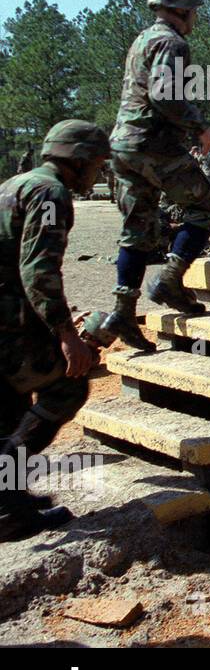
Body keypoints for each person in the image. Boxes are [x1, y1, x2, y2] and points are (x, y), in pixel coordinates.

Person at [103, 0, 210, 351]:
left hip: (123, 146)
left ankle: (123, 310)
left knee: (137, 229)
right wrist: (200, 127)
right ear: (184, 9)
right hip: (152, 143)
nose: (196, 18)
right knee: (207, 207)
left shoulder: (142, 40)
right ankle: (172, 278)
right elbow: (164, 95)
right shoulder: (173, 43)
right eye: (195, 11)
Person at [1, 121, 110, 541]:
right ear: (78, 160)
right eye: (97, 165)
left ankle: (11, 508)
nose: (98, 174)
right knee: (67, 386)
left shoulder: (15, 183)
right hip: (10, 320)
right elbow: (38, 269)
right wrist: (67, 337)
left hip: (8, 317)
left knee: (9, 406)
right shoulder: (51, 193)